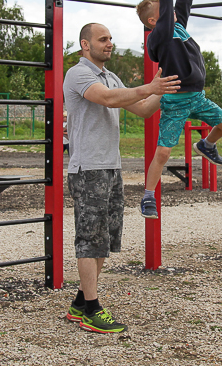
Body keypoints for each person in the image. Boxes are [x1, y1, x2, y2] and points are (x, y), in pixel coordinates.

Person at [63, 22, 180, 333]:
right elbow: (109, 99)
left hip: (110, 168)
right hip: (88, 169)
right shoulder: (78, 74)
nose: (109, 44)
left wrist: (164, 90)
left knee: (105, 240)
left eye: (111, 39)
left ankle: (79, 303)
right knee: (90, 240)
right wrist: (150, 87)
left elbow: (141, 108)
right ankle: (91, 309)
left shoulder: (111, 76)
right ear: (85, 45)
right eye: (103, 39)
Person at [135, 0, 222, 219]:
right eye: (165, 13)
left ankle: (206, 145)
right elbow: (168, 2)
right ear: (153, 22)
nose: (174, 13)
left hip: (198, 97)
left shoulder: (178, 26)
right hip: (176, 101)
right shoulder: (159, 35)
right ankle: (148, 196)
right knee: (164, 151)